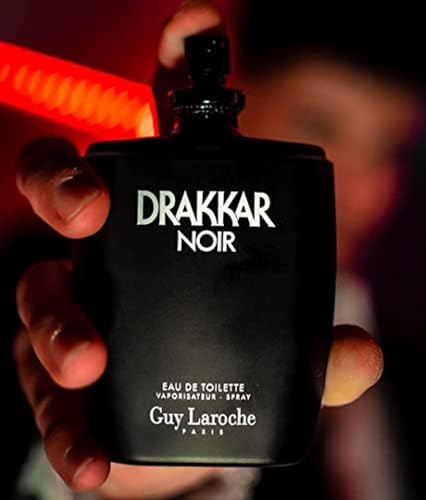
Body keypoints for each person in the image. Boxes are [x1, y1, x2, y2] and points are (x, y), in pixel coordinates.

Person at [12, 1, 384, 499]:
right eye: (321, 124)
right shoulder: (62, 273)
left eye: (389, 149)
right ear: (244, 84)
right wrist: (138, 488)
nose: (366, 189)